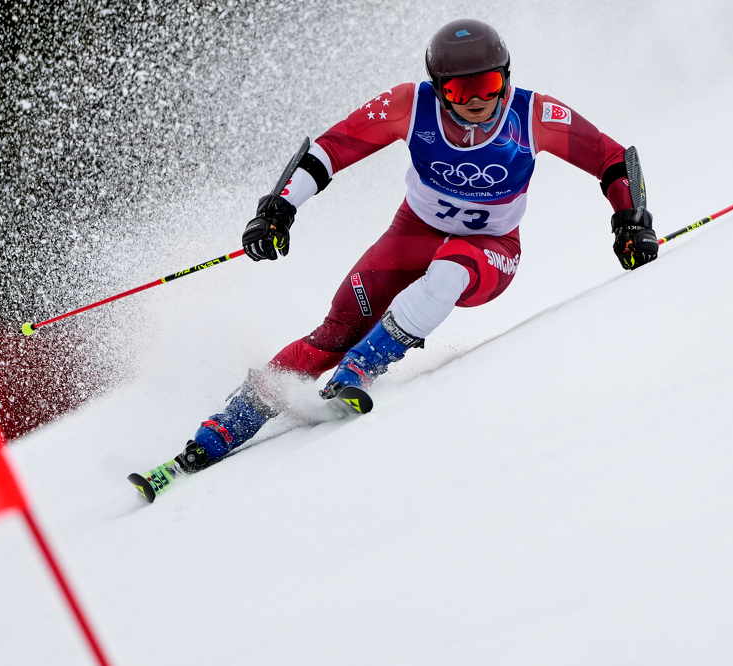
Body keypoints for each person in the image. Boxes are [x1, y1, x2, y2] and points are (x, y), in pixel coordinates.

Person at [172, 18, 657, 474]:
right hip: (411, 235)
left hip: (491, 248)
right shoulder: (410, 105)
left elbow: (612, 158)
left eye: (487, 86)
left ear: (506, 79)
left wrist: (631, 222)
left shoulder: (534, 116)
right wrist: (278, 209)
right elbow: (331, 148)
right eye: (457, 90)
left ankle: (362, 368)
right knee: (334, 332)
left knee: (448, 271)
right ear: (437, 87)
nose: (475, 102)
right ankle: (223, 427)